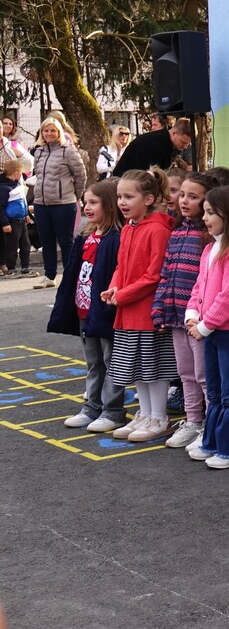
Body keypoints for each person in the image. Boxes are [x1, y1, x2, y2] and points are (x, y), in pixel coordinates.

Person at [179, 186, 229, 467]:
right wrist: (192, 314)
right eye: (205, 212)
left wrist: (205, 325)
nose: (205, 218)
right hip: (210, 331)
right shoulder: (211, 248)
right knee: (214, 390)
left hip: (226, 335)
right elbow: (199, 286)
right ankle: (213, 441)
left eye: (211, 212)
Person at [102, 169, 176, 442]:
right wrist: (114, 287)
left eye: (128, 196)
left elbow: (154, 275)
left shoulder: (158, 229)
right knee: (137, 367)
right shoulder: (128, 228)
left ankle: (159, 416)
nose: (122, 202)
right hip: (128, 310)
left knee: (153, 366)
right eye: (120, 196)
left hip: (148, 312)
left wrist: (122, 295)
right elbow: (121, 266)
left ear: (148, 199)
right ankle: (144, 413)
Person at [49, 180, 123, 431]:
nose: (87, 207)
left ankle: (112, 410)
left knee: (110, 360)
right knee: (93, 362)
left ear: (109, 205)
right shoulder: (85, 236)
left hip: (104, 309)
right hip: (84, 309)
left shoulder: (116, 237)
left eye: (93, 202)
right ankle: (92, 406)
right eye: (85, 202)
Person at [151, 172, 216, 449]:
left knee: (204, 375)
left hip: (199, 320)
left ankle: (212, 424)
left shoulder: (208, 236)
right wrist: (159, 308)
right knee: (186, 372)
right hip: (177, 316)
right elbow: (165, 273)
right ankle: (193, 420)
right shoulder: (177, 232)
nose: (184, 200)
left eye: (193, 196)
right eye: (182, 195)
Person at [30, 117, 86, 290]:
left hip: (63, 203)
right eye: (46, 131)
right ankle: (49, 275)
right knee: (46, 242)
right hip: (41, 203)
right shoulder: (38, 152)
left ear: (59, 132)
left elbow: (80, 175)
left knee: (66, 241)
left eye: (53, 130)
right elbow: (38, 175)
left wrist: (75, 195)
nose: (49, 134)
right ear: (42, 133)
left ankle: (70, 276)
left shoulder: (67, 151)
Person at [113, 118, 193, 176]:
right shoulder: (153, 144)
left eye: (188, 144)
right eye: (183, 142)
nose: (185, 147)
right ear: (174, 133)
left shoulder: (168, 144)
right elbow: (149, 176)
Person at [0, 160, 35, 278]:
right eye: (20, 171)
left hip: (21, 220)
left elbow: (23, 202)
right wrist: (5, 223)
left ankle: (25, 267)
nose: (22, 174)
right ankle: (11, 269)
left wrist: (26, 214)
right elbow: (1, 207)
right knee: (12, 246)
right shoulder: (4, 188)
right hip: (11, 221)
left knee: (26, 244)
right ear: (15, 173)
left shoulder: (17, 185)